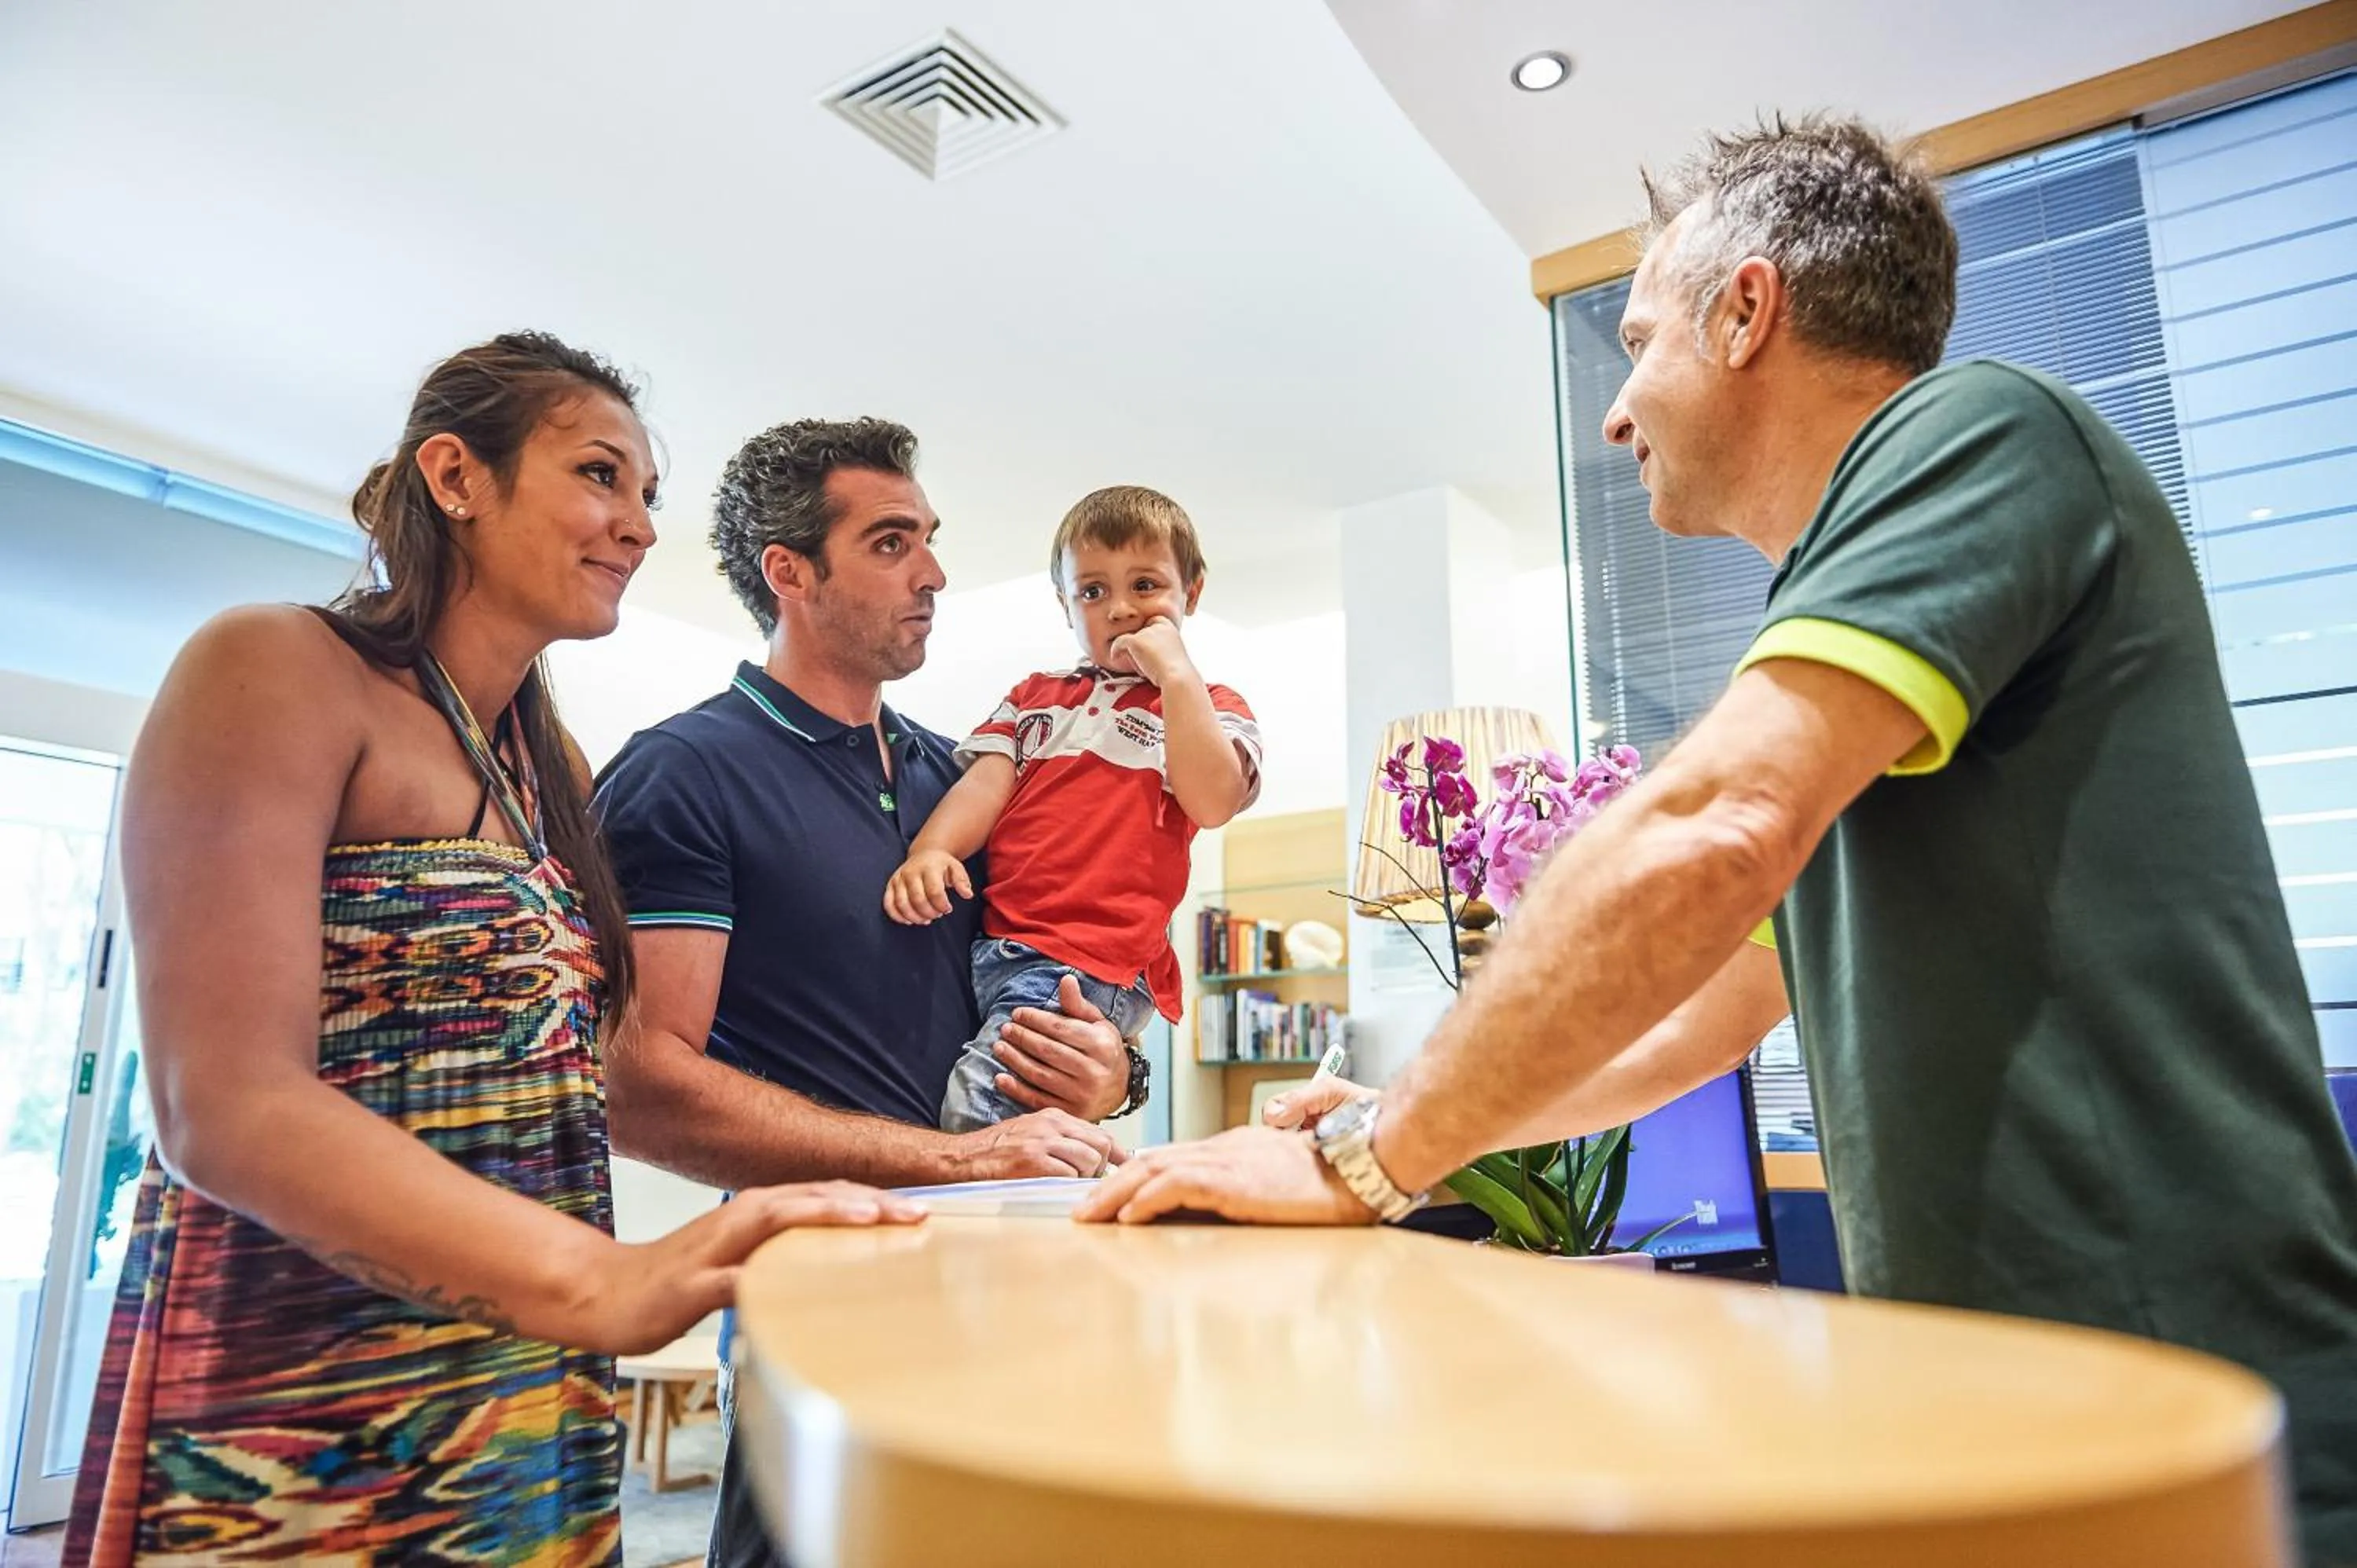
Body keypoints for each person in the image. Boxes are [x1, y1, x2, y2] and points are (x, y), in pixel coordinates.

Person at [1076, 117, 2357, 1564]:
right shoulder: (1874, 657)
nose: (1616, 413)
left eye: (1636, 340)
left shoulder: (1978, 432)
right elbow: (1698, 1025)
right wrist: (1406, 1138)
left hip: (2199, 1415)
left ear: (1748, 310)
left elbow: (1711, 831)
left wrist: (1362, 1167)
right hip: (2009, 1420)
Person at [66, 335, 922, 1567]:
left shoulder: (553, 771)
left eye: (646, 496)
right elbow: (225, 1105)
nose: (635, 525)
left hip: (518, 1378)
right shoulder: (273, 669)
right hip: (312, 1378)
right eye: (598, 475)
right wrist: (604, 1281)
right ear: (456, 476)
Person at [593, 418, 1136, 1568]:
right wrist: (955, 1162)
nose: (935, 572)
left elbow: (1058, 981)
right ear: (789, 572)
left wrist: (1114, 1074)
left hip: (1010, 1279)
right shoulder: (683, 774)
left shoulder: (970, 779)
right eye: (892, 543)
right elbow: (639, 1087)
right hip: (825, 1301)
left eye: (930, 539)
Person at [887, 485, 1260, 1132]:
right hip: (1001, 943)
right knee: (1021, 1112)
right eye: (1092, 592)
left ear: (1190, 594)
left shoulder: (1204, 705)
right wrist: (933, 850)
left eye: (1146, 585)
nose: (1120, 609)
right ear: (1064, 603)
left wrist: (1177, 679)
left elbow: (1214, 799)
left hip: (1087, 959)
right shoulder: (1036, 697)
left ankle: (977, 1228)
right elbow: (986, 784)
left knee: (985, 1109)